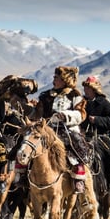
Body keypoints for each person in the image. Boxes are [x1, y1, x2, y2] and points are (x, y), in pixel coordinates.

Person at [30, 66, 91, 194]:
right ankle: (21, 174)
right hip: (47, 129)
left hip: (67, 129)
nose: (54, 80)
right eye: (54, 77)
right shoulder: (45, 95)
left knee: (76, 146)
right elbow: (37, 114)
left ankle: (78, 178)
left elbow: (81, 114)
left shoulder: (75, 95)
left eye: (56, 78)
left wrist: (65, 115)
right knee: (27, 144)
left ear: (65, 80)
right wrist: (28, 109)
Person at [80, 76, 110, 193]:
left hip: (101, 136)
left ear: (93, 89)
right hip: (84, 135)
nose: (85, 90)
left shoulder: (104, 103)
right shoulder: (82, 102)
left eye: (88, 88)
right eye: (85, 88)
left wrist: (97, 120)